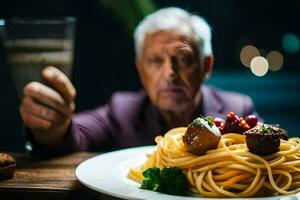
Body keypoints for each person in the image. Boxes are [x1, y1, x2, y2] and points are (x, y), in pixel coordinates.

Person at [20, 7, 259, 156]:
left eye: (184, 59)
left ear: (206, 66)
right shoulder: (122, 110)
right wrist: (53, 126)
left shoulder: (238, 109)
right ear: (140, 69)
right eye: (156, 61)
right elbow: (74, 134)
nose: (170, 72)